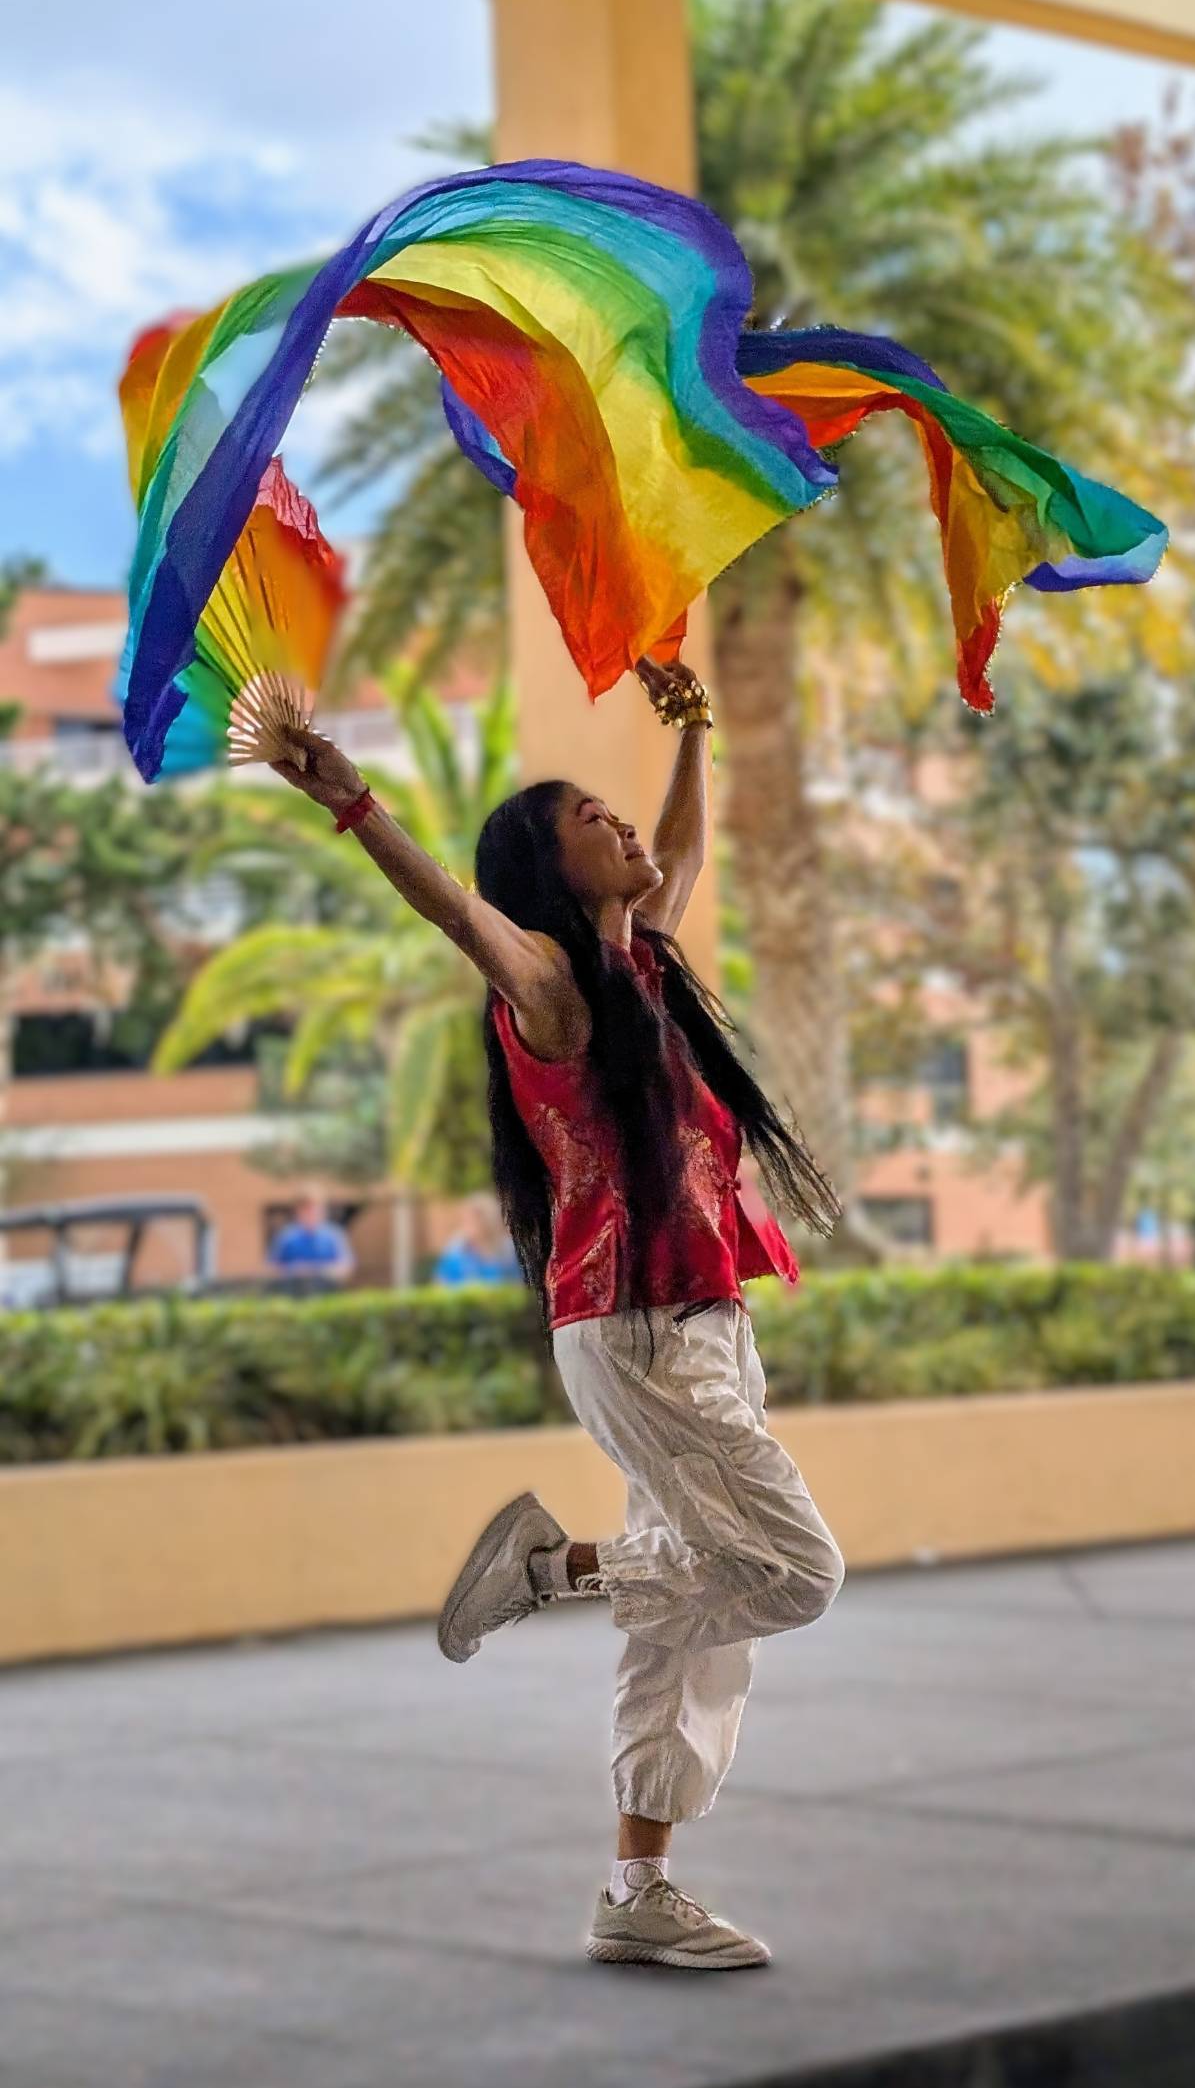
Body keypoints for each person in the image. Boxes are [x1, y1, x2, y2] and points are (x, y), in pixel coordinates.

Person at [272, 655, 844, 1970]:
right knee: (790, 1574)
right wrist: (353, 800)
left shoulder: (641, 967)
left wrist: (696, 725)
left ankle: (637, 1892)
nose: (629, 827)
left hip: (702, 1324)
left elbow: (688, 846)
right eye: (595, 819)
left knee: (687, 1636)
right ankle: (549, 1569)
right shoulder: (550, 988)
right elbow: (453, 915)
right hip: (636, 1333)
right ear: (547, 865)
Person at [267, 1189, 354, 1285]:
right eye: (305, 1209)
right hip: (292, 1292)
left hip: (328, 1293)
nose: (310, 1213)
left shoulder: (334, 1235)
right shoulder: (286, 1236)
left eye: (313, 1208)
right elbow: (271, 1268)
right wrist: (293, 1270)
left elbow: (346, 1267)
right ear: (297, 1211)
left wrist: (317, 1270)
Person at [433, 1193, 521, 1287]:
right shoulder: (456, 1250)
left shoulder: (508, 1250)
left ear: (488, 1221)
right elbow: (440, 1285)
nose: (466, 1225)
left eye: (472, 1220)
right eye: (464, 1220)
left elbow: (519, 1284)